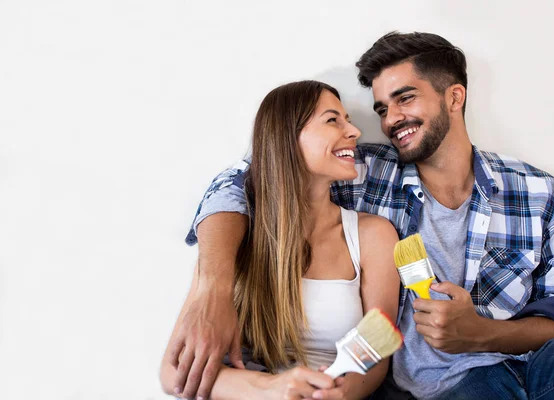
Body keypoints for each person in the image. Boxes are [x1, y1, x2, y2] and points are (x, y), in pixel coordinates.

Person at [169, 32, 554, 399]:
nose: (389, 120)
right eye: (381, 109)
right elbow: (244, 178)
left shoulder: (539, 191)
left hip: (542, 372)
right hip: (456, 385)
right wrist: (213, 287)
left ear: (454, 96)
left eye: (404, 98)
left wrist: (481, 333)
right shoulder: (363, 171)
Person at [160, 80, 400, 400]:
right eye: (333, 120)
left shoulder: (374, 235)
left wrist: (339, 395)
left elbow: (376, 357)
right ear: (287, 137)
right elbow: (174, 373)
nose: (354, 131)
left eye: (348, 119)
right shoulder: (235, 233)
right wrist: (272, 389)